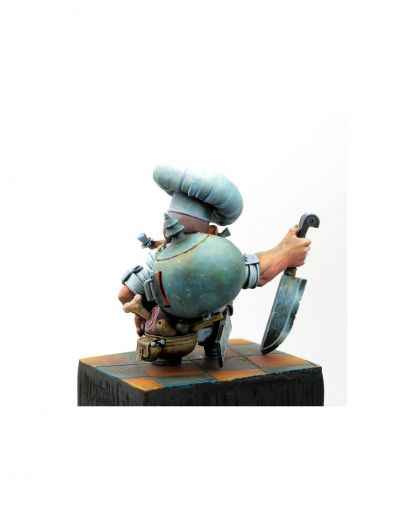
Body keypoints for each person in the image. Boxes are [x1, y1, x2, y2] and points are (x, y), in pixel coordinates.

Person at [118, 165, 311, 358]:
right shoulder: (210, 257)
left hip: (171, 336)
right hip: (174, 336)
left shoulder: (160, 256)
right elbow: (258, 273)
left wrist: (146, 313)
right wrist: (286, 253)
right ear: (211, 233)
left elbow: (125, 294)